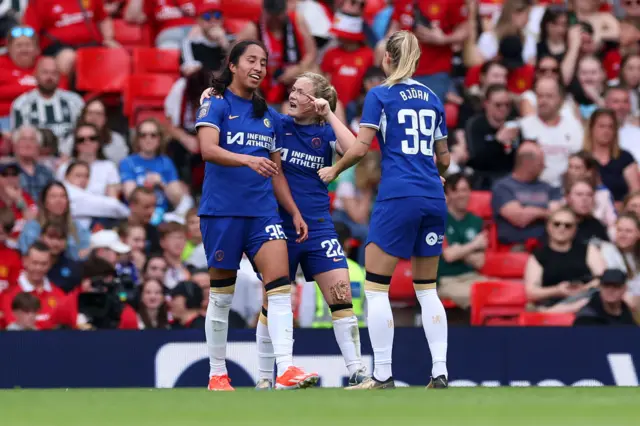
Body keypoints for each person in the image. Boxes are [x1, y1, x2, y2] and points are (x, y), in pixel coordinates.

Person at [318, 31, 450, 389]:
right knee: (427, 289)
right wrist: (436, 176)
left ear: (388, 59)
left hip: (398, 197)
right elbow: (446, 158)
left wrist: (335, 169)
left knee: (377, 288)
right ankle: (440, 370)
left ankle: (383, 374)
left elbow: (361, 149)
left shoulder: (379, 95)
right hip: (433, 199)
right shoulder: (433, 97)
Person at [195, 40, 317, 391]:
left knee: (280, 288)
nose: (259, 67)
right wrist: (248, 158)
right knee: (221, 296)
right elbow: (207, 150)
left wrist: (293, 211)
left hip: (263, 214)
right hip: (222, 213)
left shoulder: (269, 116)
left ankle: (286, 368)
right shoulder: (215, 104)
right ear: (232, 65)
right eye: (251, 60)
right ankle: (217, 373)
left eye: (264, 62)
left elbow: (276, 170)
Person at [10, 57, 84, 141]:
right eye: (45, 72)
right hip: (35, 153)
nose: (49, 77)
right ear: (35, 75)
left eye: (54, 73)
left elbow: (84, 132)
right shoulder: (21, 104)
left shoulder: (75, 101)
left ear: (60, 76)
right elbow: (18, 139)